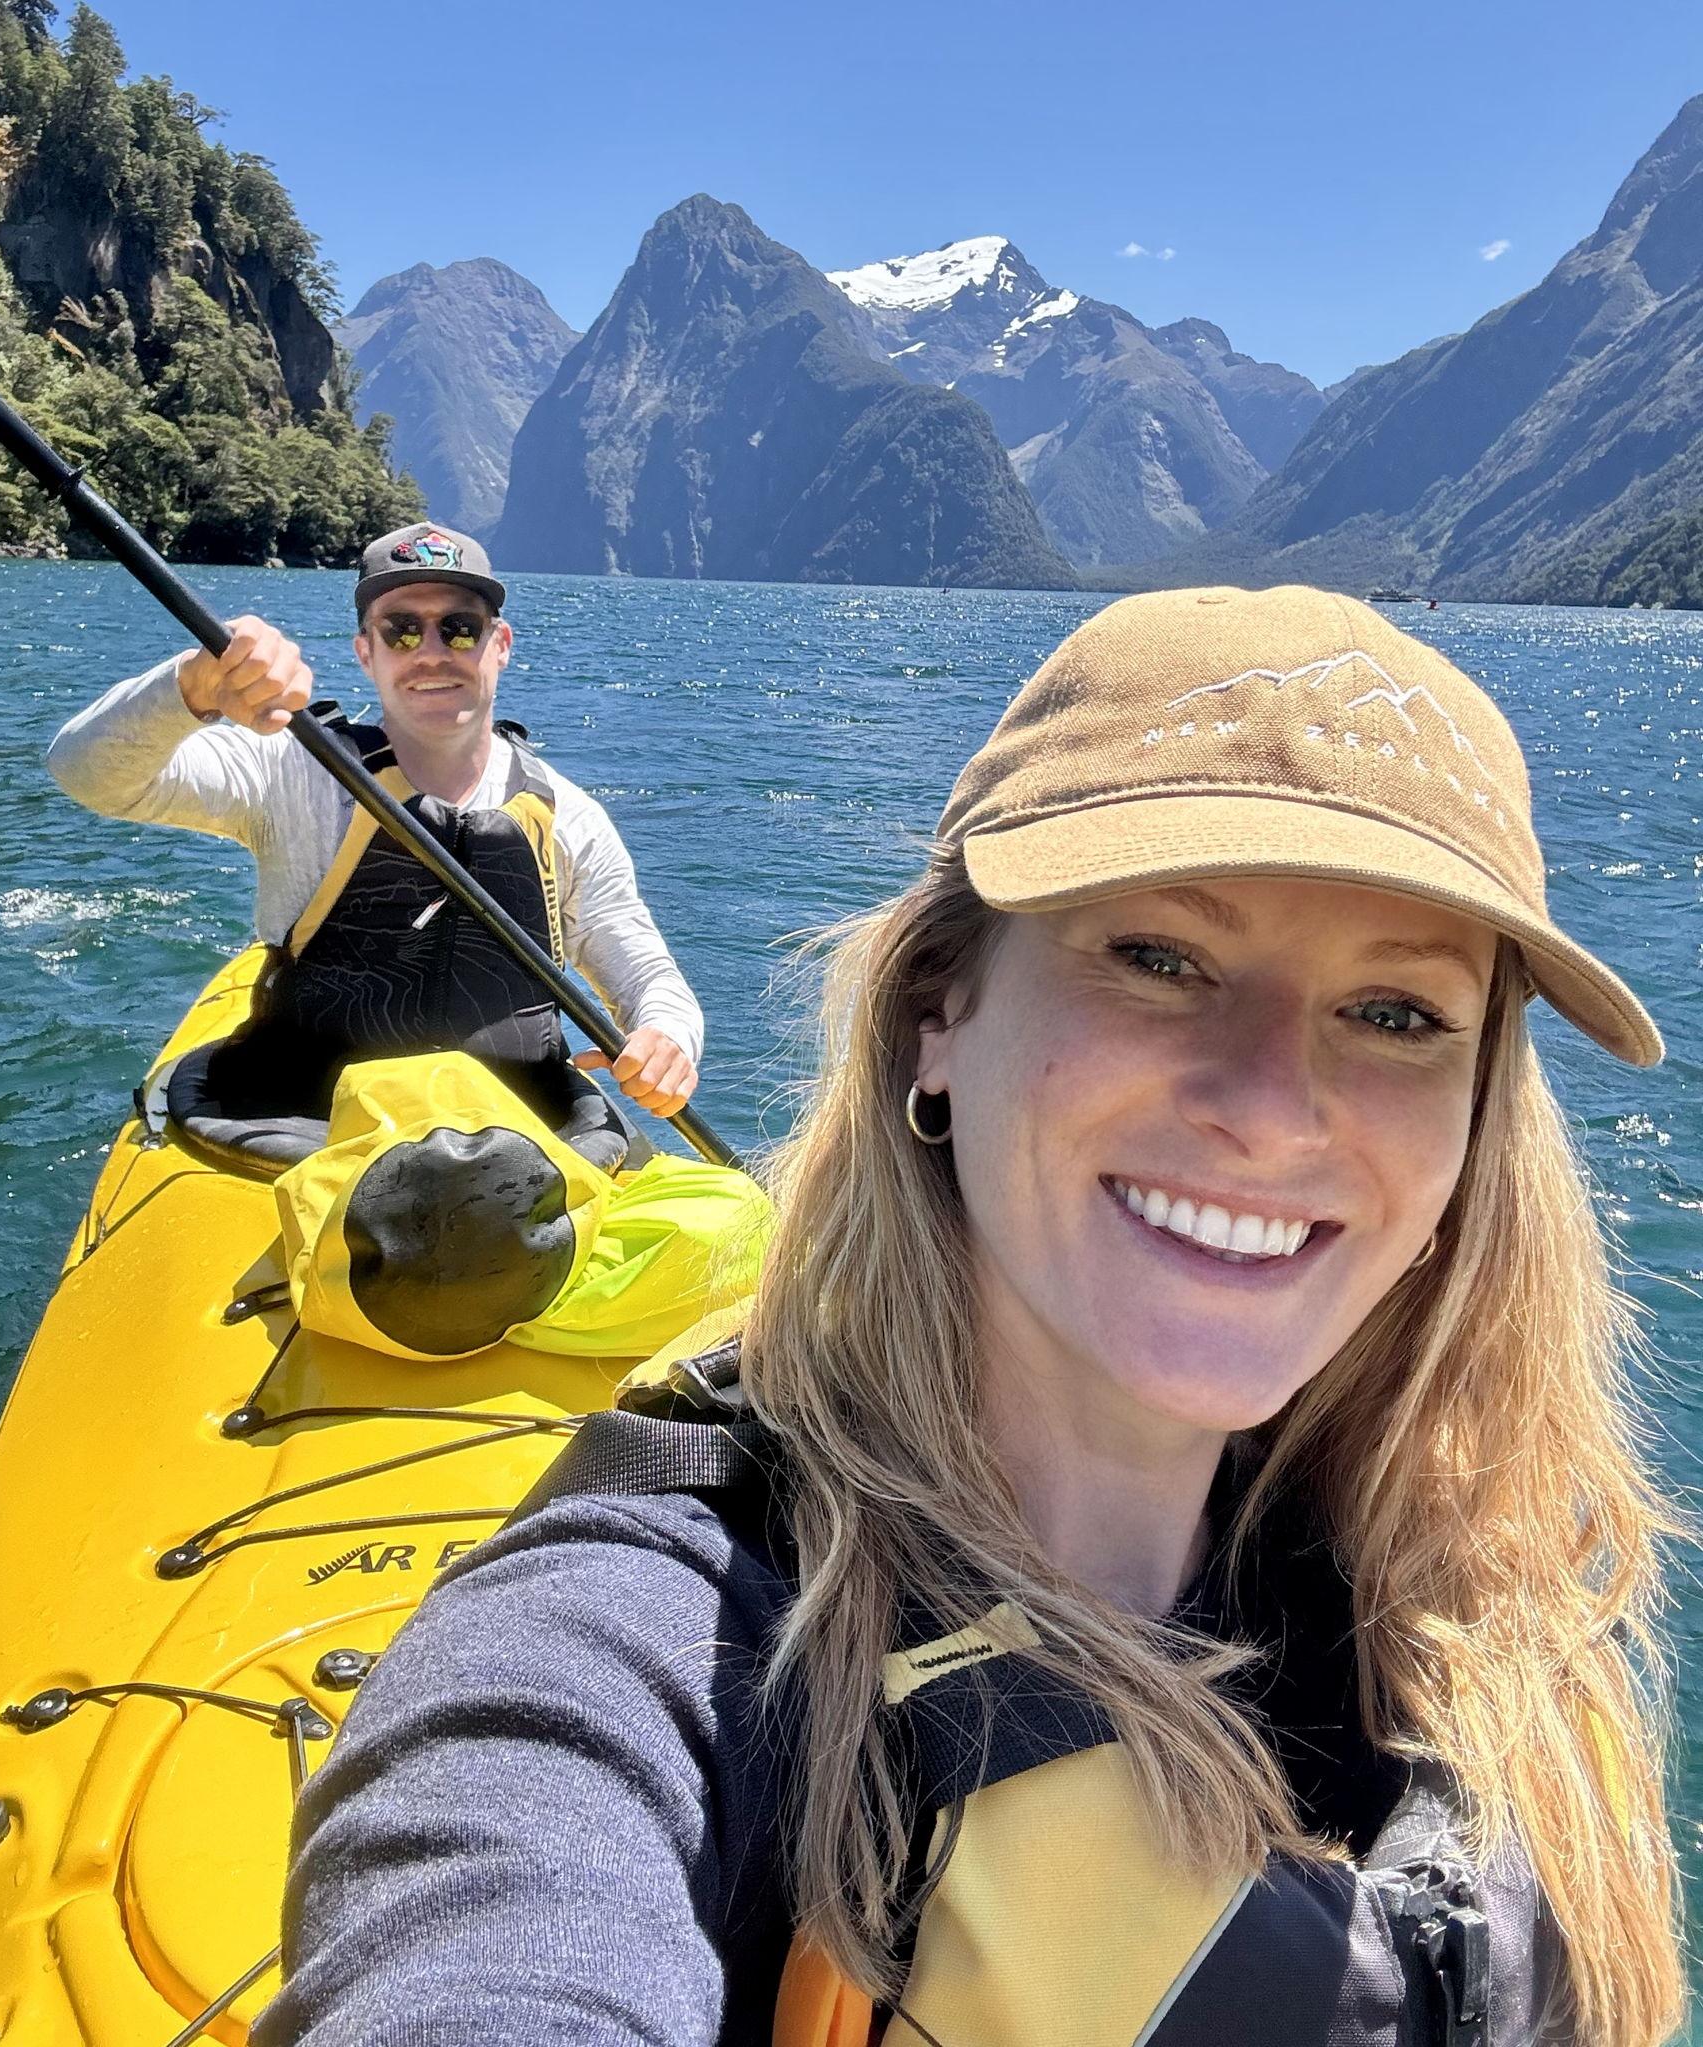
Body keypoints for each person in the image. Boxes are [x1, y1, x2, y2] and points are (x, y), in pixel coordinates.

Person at [255, 588, 1684, 2047]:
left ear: (1473, 1123)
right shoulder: (635, 1650)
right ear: (940, 1005)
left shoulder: (1482, 1633)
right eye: (1158, 956)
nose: (1269, 1109)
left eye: (1396, 1013)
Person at [46, 522, 703, 1142]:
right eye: (402, 631)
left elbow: (646, 973)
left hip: (515, 1136)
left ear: (500, 645)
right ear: (367, 652)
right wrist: (192, 687)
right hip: (304, 1125)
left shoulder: (568, 817)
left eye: (460, 629)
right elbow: (87, 774)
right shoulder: (294, 769)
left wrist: (667, 1038)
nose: (433, 653)